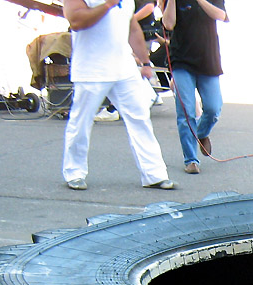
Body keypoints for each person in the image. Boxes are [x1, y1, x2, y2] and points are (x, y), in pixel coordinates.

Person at [62, 0, 175, 191]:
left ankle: (154, 175)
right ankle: (74, 173)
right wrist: (107, 5)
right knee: (81, 122)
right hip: (91, 68)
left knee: (140, 118)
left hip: (124, 68)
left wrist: (145, 62)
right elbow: (76, 21)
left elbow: (132, 27)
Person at [160, 0, 228, 175]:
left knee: (213, 109)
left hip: (208, 59)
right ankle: (191, 159)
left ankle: (201, 133)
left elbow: (221, 15)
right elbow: (168, 24)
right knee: (186, 112)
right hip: (181, 60)